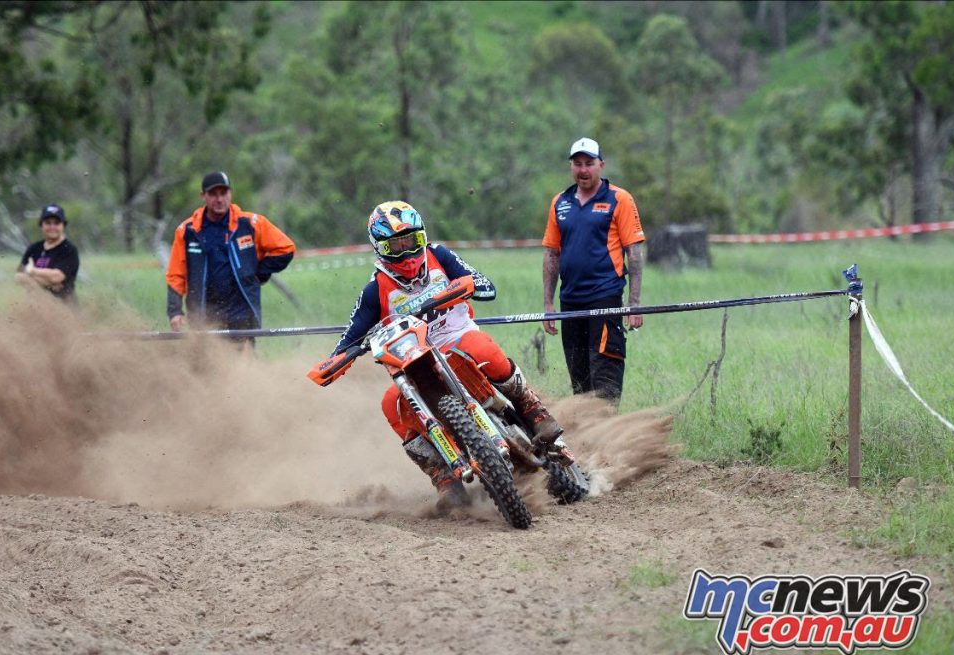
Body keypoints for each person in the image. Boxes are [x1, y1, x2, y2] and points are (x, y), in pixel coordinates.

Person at [332, 200, 561, 511]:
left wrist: (469, 286)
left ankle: (532, 408)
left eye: (411, 242)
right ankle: (443, 475)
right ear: (379, 248)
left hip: (456, 336)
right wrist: (337, 359)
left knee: (483, 350)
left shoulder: (439, 255)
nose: (407, 253)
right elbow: (350, 336)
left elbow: (481, 282)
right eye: (396, 246)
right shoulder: (376, 289)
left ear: (422, 237)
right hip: (414, 359)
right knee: (391, 404)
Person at [542, 137, 646, 404]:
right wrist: (548, 304)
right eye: (578, 164)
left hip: (605, 298)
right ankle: (585, 439)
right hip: (570, 301)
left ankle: (609, 435)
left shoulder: (618, 199)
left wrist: (634, 304)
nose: (583, 169)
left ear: (601, 165)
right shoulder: (560, 203)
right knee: (579, 379)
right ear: (571, 166)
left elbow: (634, 253)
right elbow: (552, 254)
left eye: (589, 163)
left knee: (605, 374)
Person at [165, 171, 296, 344]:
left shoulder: (251, 223)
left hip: (241, 311)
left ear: (230, 194)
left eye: (223, 193)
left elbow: (286, 249)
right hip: (203, 314)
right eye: (213, 194)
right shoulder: (187, 231)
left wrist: (258, 273)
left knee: (242, 366)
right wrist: (174, 311)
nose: (219, 199)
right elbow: (176, 274)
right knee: (203, 366)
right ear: (203, 196)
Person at [15, 203, 80, 302]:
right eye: (48, 223)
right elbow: (19, 276)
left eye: (56, 223)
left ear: (63, 225)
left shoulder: (69, 250)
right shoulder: (34, 249)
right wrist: (47, 282)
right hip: (35, 306)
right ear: (41, 225)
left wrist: (32, 271)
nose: (52, 227)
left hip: (64, 306)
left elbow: (57, 277)